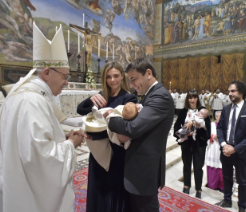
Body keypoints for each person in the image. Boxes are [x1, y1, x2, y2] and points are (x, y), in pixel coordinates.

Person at [0, 23, 86, 212]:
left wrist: (59, 138)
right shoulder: (33, 101)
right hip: (27, 197)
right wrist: (70, 143)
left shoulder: (21, 93)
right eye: (65, 76)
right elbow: (43, 160)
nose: (66, 82)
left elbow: (25, 141)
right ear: (47, 72)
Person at [105, 58, 174, 212]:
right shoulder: (150, 95)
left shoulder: (160, 96)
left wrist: (110, 117)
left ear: (148, 73)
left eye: (133, 79)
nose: (131, 85)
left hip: (145, 171)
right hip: (139, 168)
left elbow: (133, 128)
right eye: (129, 80)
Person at [77, 61, 137, 212]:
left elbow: (124, 129)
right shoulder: (102, 96)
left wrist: (95, 135)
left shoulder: (129, 99)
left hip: (116, 153)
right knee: (99, 190)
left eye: (116, 76)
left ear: (122, 76)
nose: (112, 80)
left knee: (114, 193)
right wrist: (91, 99)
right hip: (98, 154)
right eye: (108, 77)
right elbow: (80, 110)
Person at [215, 81, 246, 212]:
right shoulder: (226, 108)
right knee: (227, 176)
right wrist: (224, 145)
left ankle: (242, 207)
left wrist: (235, 148)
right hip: (225, 149)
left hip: (242, 152)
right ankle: (227, 200)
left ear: (241, 92)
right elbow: (220, 128)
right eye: (229, 91)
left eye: (233, 91)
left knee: (243, 181)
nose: (230, 94)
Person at [174, 89, 211, 199]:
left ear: (197, 98)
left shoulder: (203, 111)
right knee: (186, 165)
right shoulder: (183, 111)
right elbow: (176, 127)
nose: (192, 100)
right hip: (186, 142)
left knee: (198, 167)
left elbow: (208, 129)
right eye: (190, 97)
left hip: (199, 143)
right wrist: (183, 134)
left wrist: (196, 126)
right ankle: (186, 185)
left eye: (194, 97)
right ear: (187, 99)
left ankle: (198, 189)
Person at [205, 111, 223, 191]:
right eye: (220, 116)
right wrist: (212, 137)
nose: (222, 118)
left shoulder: (226, 126)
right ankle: (212, 185)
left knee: (221, 166)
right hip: (213, 147)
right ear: (216, 117)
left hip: (221, 148)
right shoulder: (211, 125)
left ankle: (221, 186)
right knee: (213, 165)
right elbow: (206, 135)